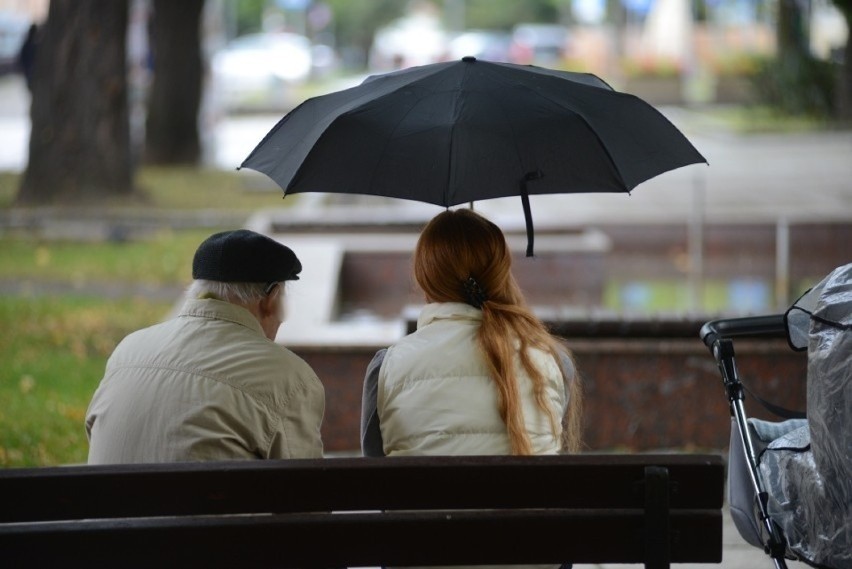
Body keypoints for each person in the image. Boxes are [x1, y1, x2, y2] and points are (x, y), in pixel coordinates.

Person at [86, 229, 325, 463]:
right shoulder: (289, 379)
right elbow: (303, 492)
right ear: (271, 299)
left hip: (107, 503)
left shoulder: (127, 352)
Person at [361, 208, 582, 458]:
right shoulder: (552, 362)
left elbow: (374, 468)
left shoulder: (386, 368)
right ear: (501, 272)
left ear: (425, 279)